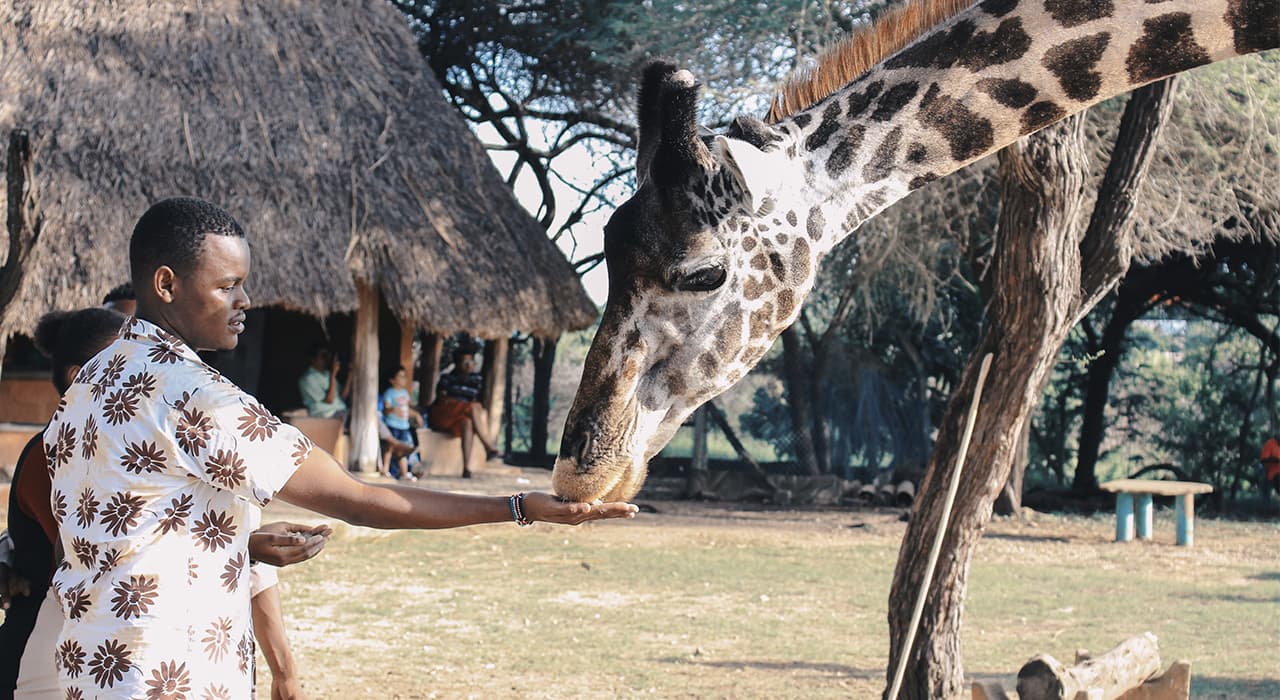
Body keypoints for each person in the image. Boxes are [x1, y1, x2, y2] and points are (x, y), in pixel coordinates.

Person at [43, 197, 636, 698]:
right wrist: (518, 507)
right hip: (170, 673)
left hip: (95, 664)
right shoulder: (192, 394)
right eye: (227, 286)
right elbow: (355, 499)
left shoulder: (93, 381)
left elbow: (129, 525)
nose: (244, 301)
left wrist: (236, 542)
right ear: (166, 284)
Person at [0, 307, 328, 700]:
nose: (140, 368)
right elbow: (95, 556)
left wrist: (284, 668)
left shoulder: (169, 441)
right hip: (49, 657)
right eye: (119, 359)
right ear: (80, 377)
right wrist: (247, 545)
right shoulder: (58, 453)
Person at [428, 347, 500, 478]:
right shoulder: (447, 378)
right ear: (456, 363)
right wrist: (464, 404)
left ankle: (466, 468)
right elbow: (442, 400)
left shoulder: (476, 380)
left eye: (471, 362)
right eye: (465, 362)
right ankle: (488, 446)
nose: (469, 365)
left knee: (467, 423)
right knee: (473, 407)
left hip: (459, 417)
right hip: (443, 415)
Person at [380, 366, 421, 481]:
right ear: (392, 380)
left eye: (404, 376)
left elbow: (407, 408)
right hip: (392, 425)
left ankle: (404, 473)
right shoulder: (389, 393)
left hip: (404, 426)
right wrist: (393, 409)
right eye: (401, 376)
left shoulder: (404, 393)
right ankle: (385, 469)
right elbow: (386, 409)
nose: (404, 379)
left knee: (402, 450)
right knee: (390, 448)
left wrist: (416, 415)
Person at [298, 343, 350, 419]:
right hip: (326, 414)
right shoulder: (308, 378)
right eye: (323, 356)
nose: (327, 359)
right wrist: (333, 375)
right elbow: (329, 400)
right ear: (313, 358)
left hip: (340, 411)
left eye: (328, 356)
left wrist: (350, 375)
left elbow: (342, 396)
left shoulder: (327, 374)